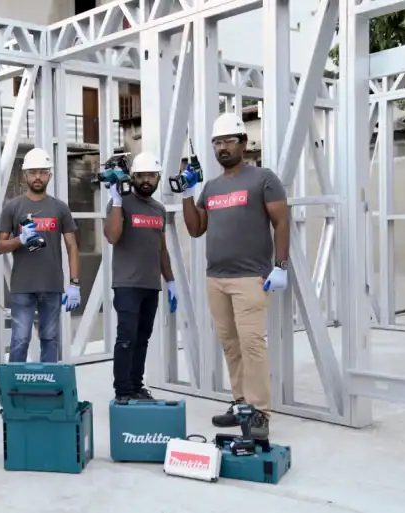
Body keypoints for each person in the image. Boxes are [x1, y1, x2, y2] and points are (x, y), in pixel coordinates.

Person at [180, 112, 290, 439]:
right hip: (216, 277)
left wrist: (280, 266)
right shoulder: (211, 188)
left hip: (249, 278)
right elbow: (196, 229)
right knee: (230, 344)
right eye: (217, 142)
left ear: (244, 142)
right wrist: (187, 193)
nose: (222, 147)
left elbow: (281, 222)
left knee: (252, 343)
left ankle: (260, 412)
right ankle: (241, 402)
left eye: (229, 140)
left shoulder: (263, 179)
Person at [103, 151, 177, 403]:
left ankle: (136, 385)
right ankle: (123, 390)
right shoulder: (121, 202)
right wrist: (115, 201)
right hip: (127, 285)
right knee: (126, 338)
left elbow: (161, 248)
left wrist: (171, 281)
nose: (147, 180)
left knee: (142, 338)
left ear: (158, 178)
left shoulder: (159, 209)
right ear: (132, 177)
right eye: (142, 175)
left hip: (150, 285)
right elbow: (112, 237)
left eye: (152, 175)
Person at [0, 147, 81, 363]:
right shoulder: (13, 207)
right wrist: (19, 240)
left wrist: (75, 284)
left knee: (50, 338)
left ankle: (48, 387)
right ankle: (15, 388)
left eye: (42, 172)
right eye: (33, 172)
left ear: (49, 175)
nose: (37, 177)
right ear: (24, 175)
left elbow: (72, 247)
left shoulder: (60, 208)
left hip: (52, 286)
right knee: (20, 339)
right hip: (22, 286)